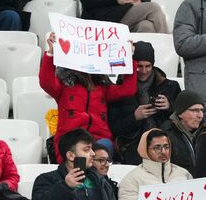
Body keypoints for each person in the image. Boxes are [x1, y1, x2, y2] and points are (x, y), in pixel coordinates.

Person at [40, 32, 137, 163]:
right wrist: (51, 54)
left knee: (101, 151)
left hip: (99, 141)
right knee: (81, 156)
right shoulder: (64, 84)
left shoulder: (102, 86)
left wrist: (129, 58)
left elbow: (127, 90)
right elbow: (46, 82)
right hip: (70, 141)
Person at [108, 41, 181, 165]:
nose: (143, 71)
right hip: (133, 145)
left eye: (148, 66)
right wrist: (134, 117)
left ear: (153, 65)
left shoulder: (170, 86)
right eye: (139, 66)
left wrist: (169, 107)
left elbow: (183, 117)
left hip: (166, 141)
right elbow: (114, 128)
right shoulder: (119, 91)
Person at [160, 90, 206, 175]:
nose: (200, 115)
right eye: (194, 110)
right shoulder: (165, 134)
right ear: (180, 113)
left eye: (201, 110)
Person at [80, 0, 168, 33]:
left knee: (146, 26)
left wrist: (139, 0)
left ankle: (145, 64)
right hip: (101, 18)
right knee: (153, 8)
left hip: (126, 13)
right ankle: (169, 51)